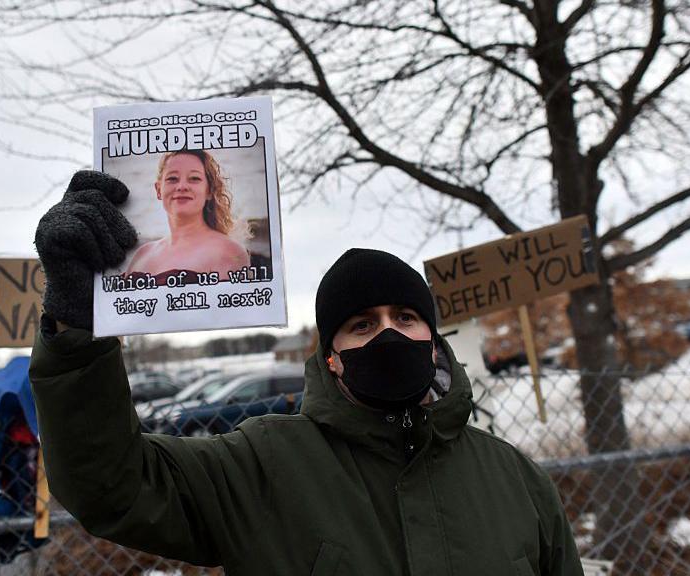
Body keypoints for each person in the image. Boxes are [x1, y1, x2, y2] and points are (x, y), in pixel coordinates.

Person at [31, 171, 584, 575]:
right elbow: (114, 485)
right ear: (332, 356)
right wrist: (78, 324)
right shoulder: (262, 467)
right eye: (363, 325)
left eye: (407, 318)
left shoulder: (517, 480)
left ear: (434, 341)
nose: (389, 334)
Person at [125, 149, 249, 280]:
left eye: (194, 178)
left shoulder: (229, 252)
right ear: (158, 190)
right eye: (172, 179)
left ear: (209, 191)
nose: (182, 186)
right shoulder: (142, 255)